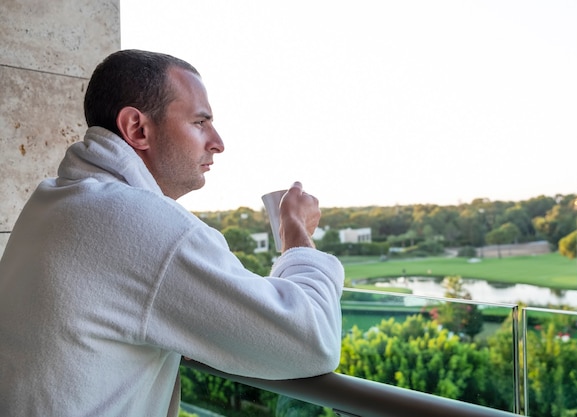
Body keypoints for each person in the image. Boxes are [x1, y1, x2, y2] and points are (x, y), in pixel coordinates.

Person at [0, 49, 344, 416]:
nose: (218, 142)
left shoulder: (52, 203)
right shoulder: (141, 224)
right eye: (200, 122)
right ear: (138, 129)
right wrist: (296, 237)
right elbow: (311, 340)